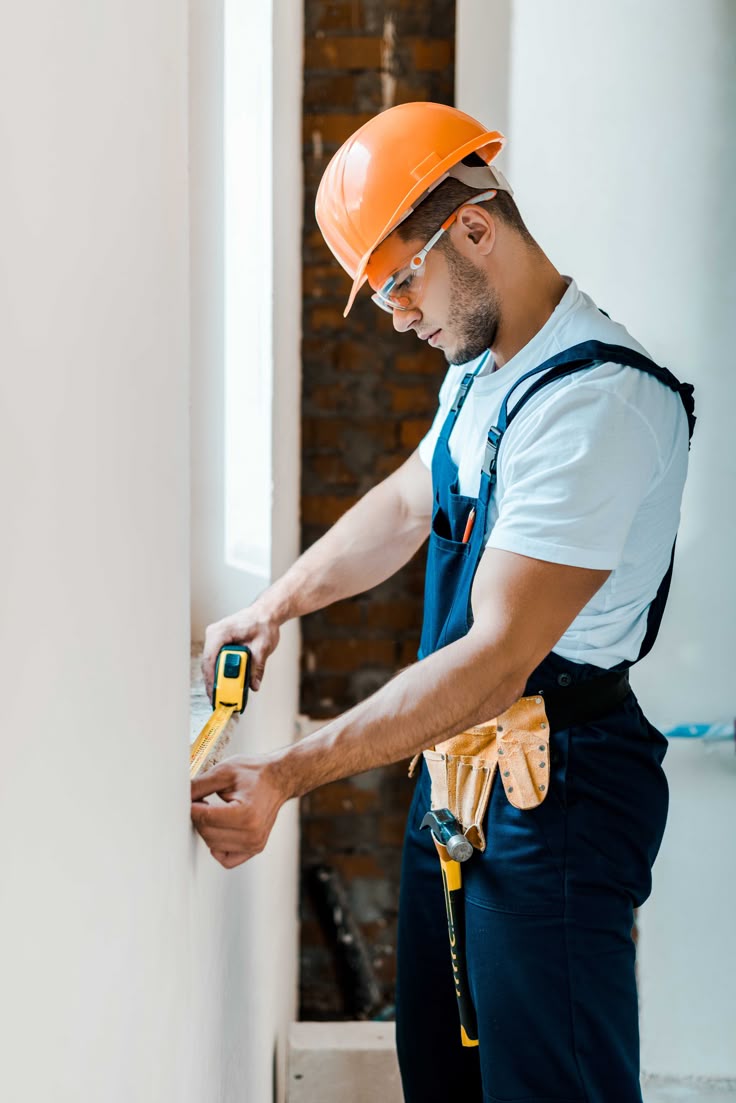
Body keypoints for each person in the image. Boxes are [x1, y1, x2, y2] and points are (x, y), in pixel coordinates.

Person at [190, 102, 695, 1102]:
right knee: (444, 1070)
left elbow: (495, 655)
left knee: (548, 1084)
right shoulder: (485, 370)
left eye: (398, 279)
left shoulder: (594, 403)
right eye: (377, 292)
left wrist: (287, 773)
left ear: (473, 227)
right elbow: (411, 500)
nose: (396, 315)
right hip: (463, 777)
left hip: (557, 786)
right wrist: (275, 605)